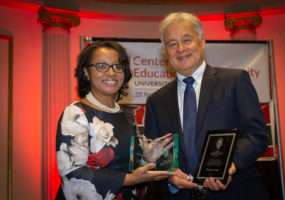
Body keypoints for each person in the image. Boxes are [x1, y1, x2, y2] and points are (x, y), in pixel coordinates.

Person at [144, 12, 270, 200]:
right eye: (172, 43)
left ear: (202, 41)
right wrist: (169, 178)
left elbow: (257, 135)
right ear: (166, 51)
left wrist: (231, 165)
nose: (180, 49)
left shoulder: (234, 81)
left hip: (236, 193)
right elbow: (155, 153)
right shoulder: (156, 101)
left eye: (187, 40)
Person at [55, 41, 174, 200]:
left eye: (117, 66)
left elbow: (126, 165)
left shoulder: (126, 113)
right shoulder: (76, 113)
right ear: (86, 72)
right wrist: (130, 180)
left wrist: (147, 158)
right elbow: (73, 173)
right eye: (101, 66)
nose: (111, 72)